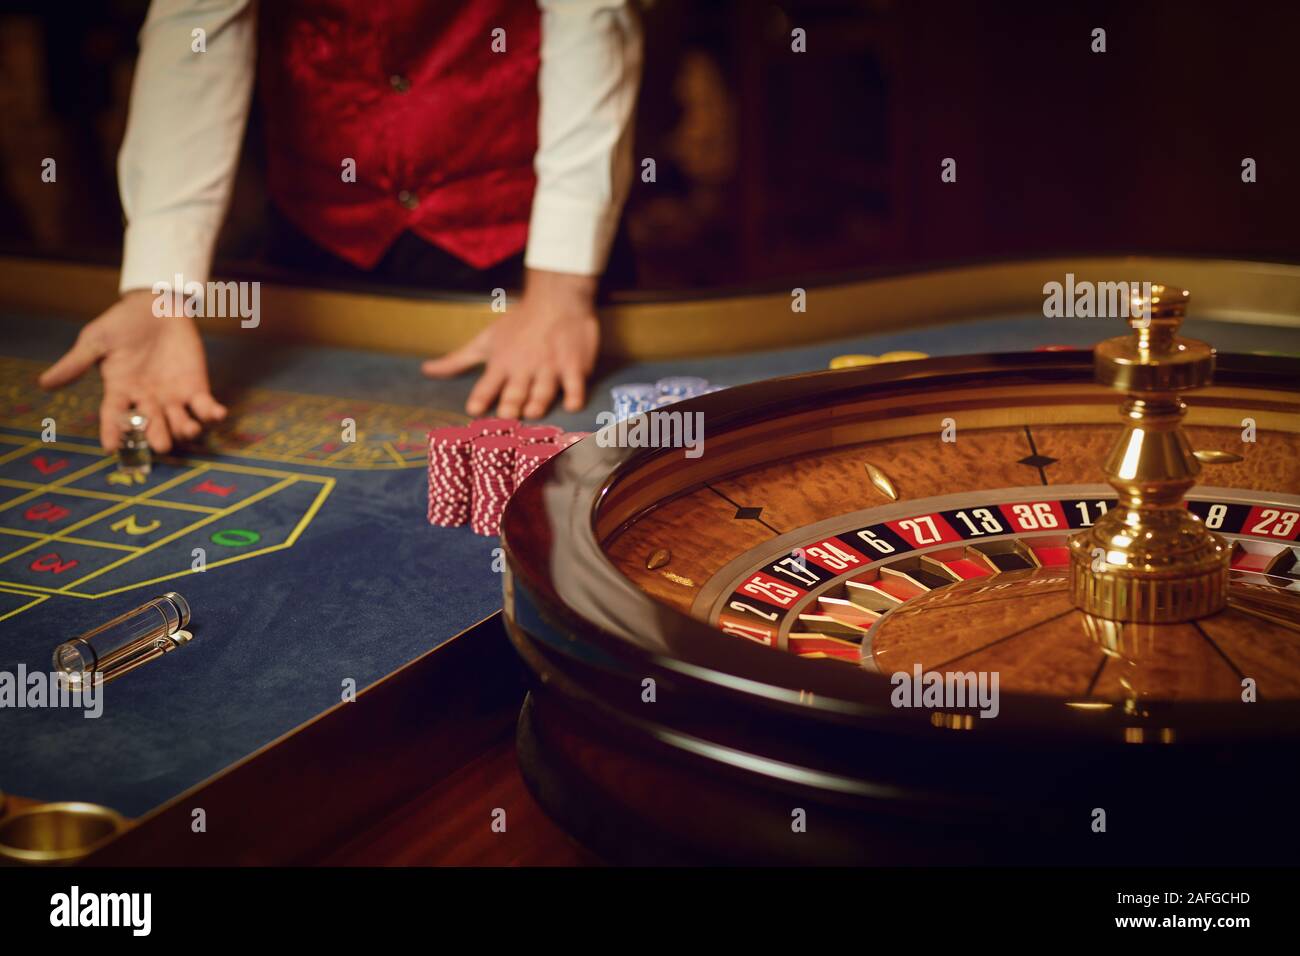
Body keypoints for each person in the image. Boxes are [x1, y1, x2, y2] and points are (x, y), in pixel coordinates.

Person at [39, 0, 643, 453]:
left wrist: (562, 288)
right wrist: (158, 289)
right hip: (323, 219)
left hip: (524, 222)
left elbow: (592, 14)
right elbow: (196, 28)